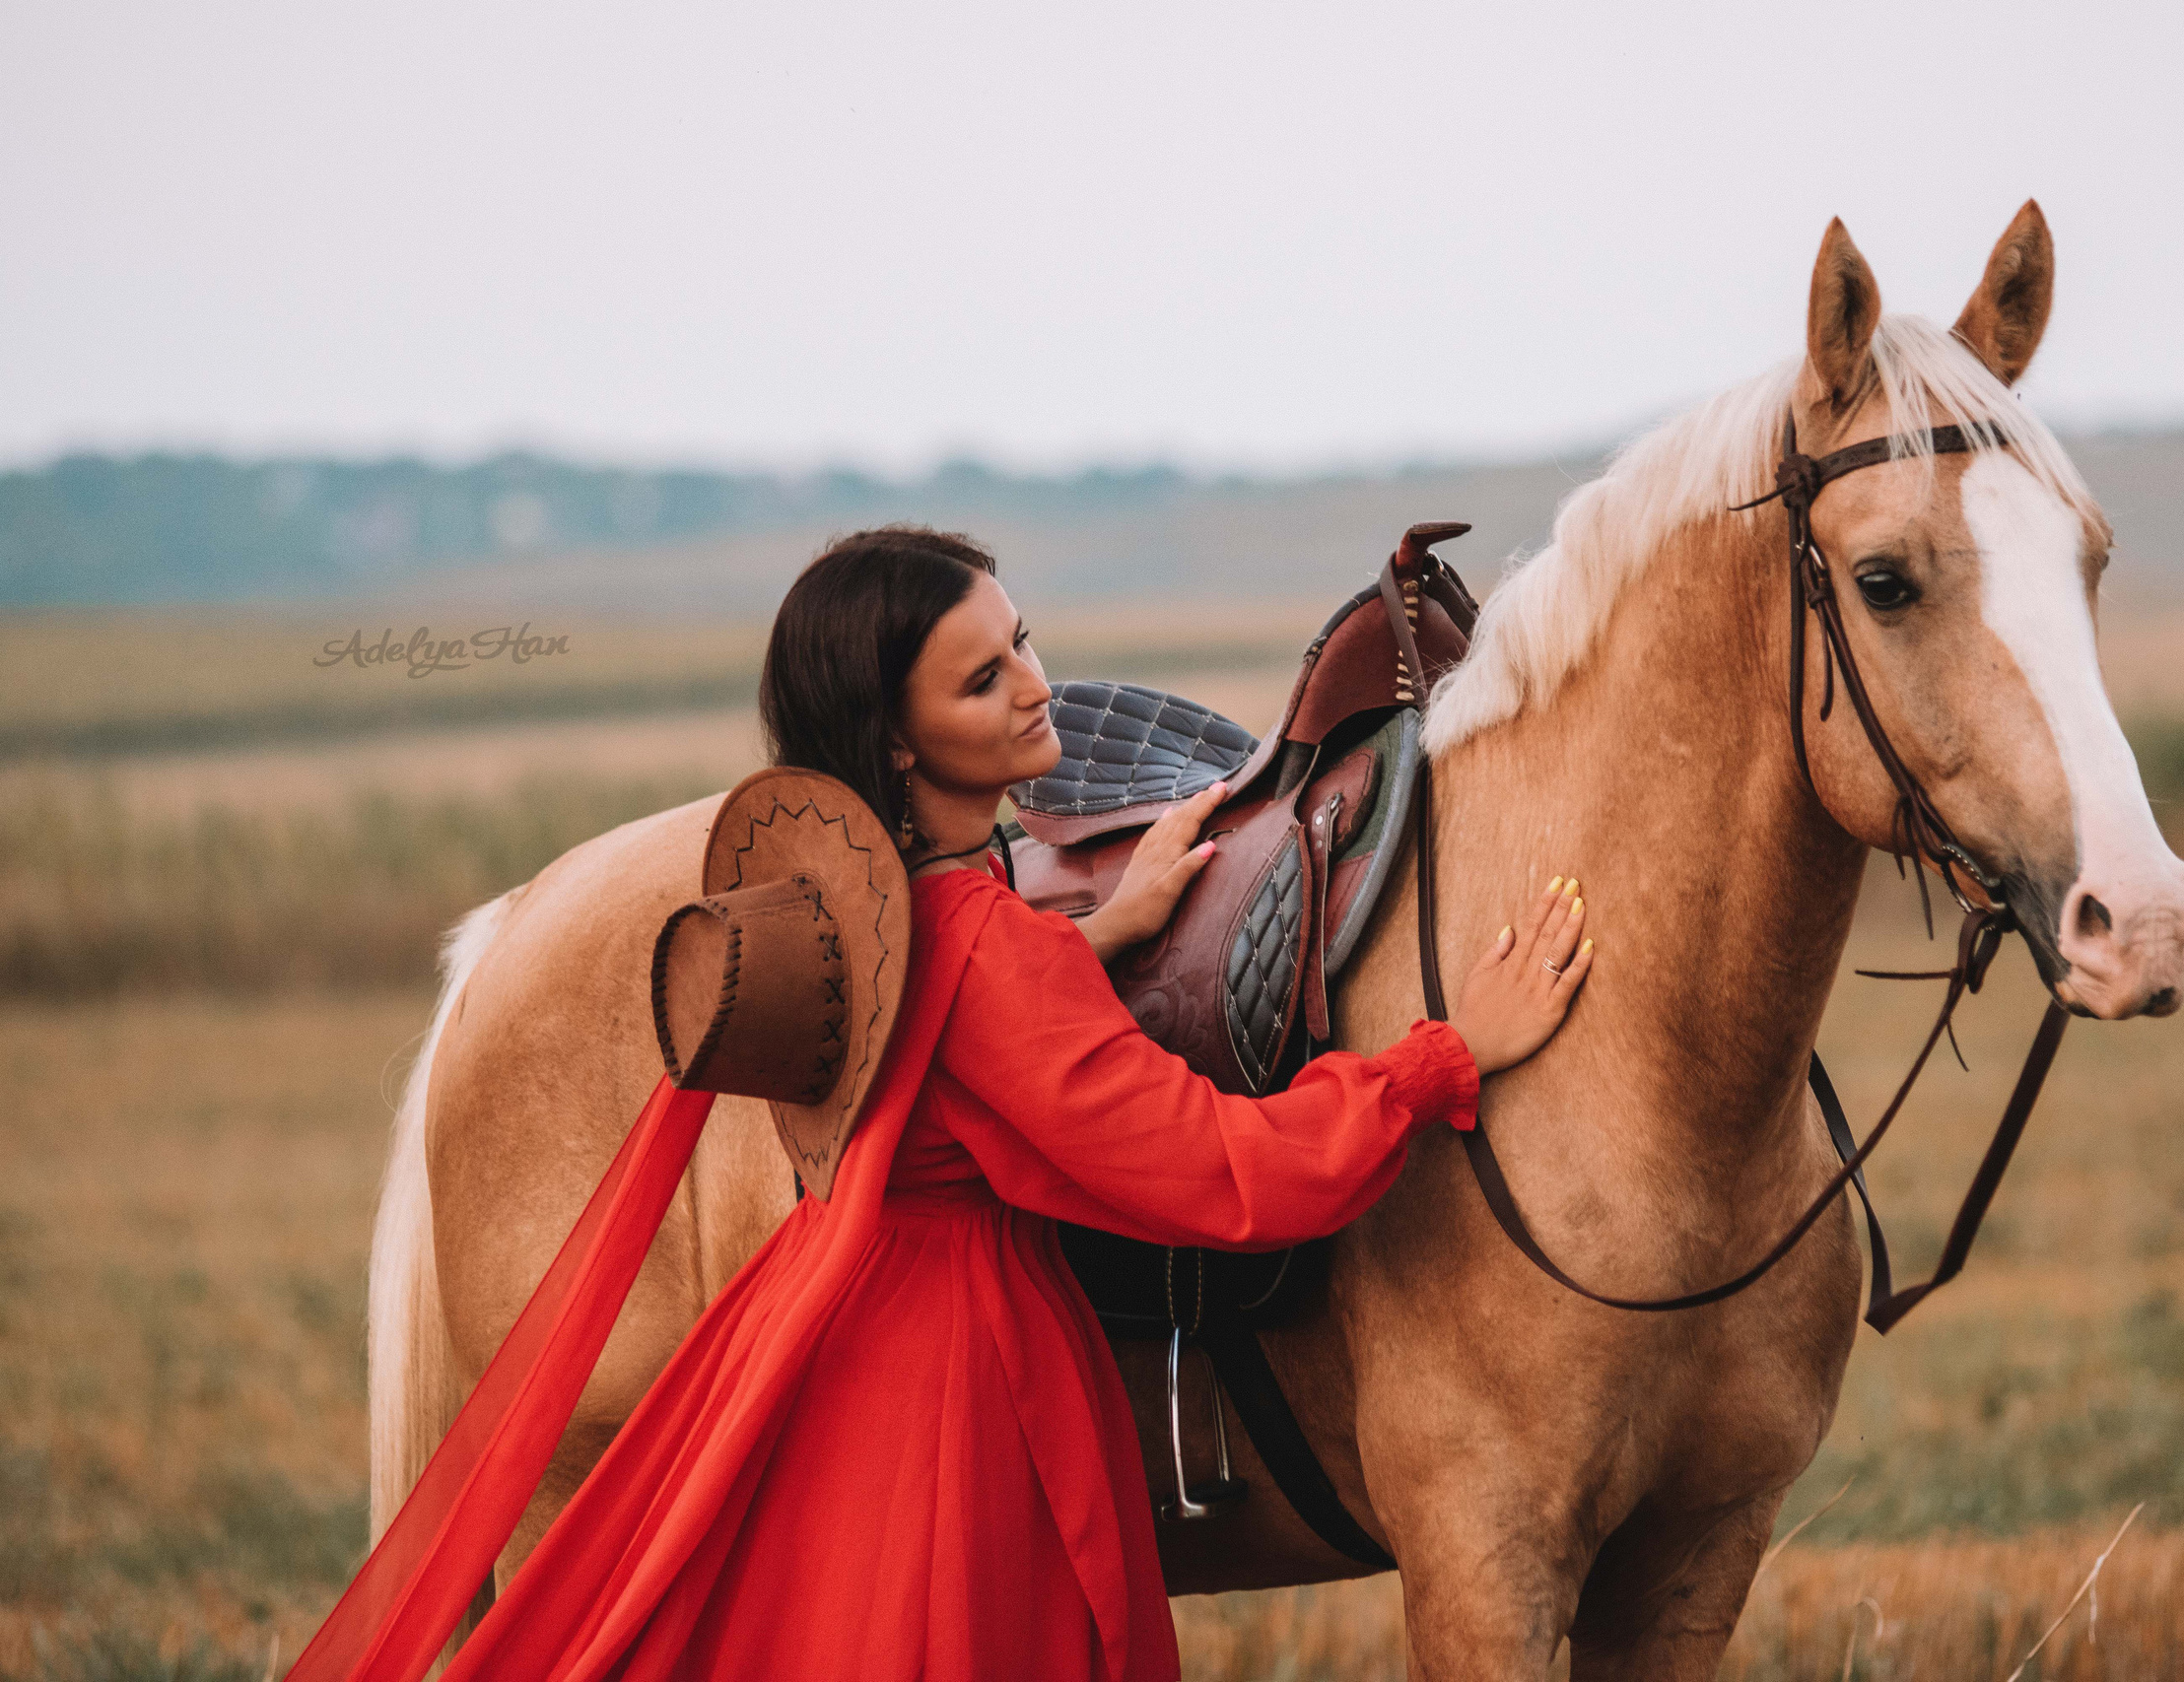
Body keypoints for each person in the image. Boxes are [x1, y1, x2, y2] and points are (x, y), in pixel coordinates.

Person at [293, 524, 1594, 1682]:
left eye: (1021, 642)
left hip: (867, 1341)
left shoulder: (893, 917)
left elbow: (953, 1041)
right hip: (958, 1391)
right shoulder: (982, 946)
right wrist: (1439, 1059)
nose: (1036, 687)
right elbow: (1220, 1171)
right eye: (983, 679)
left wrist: (1095, 934)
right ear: (901, 738)